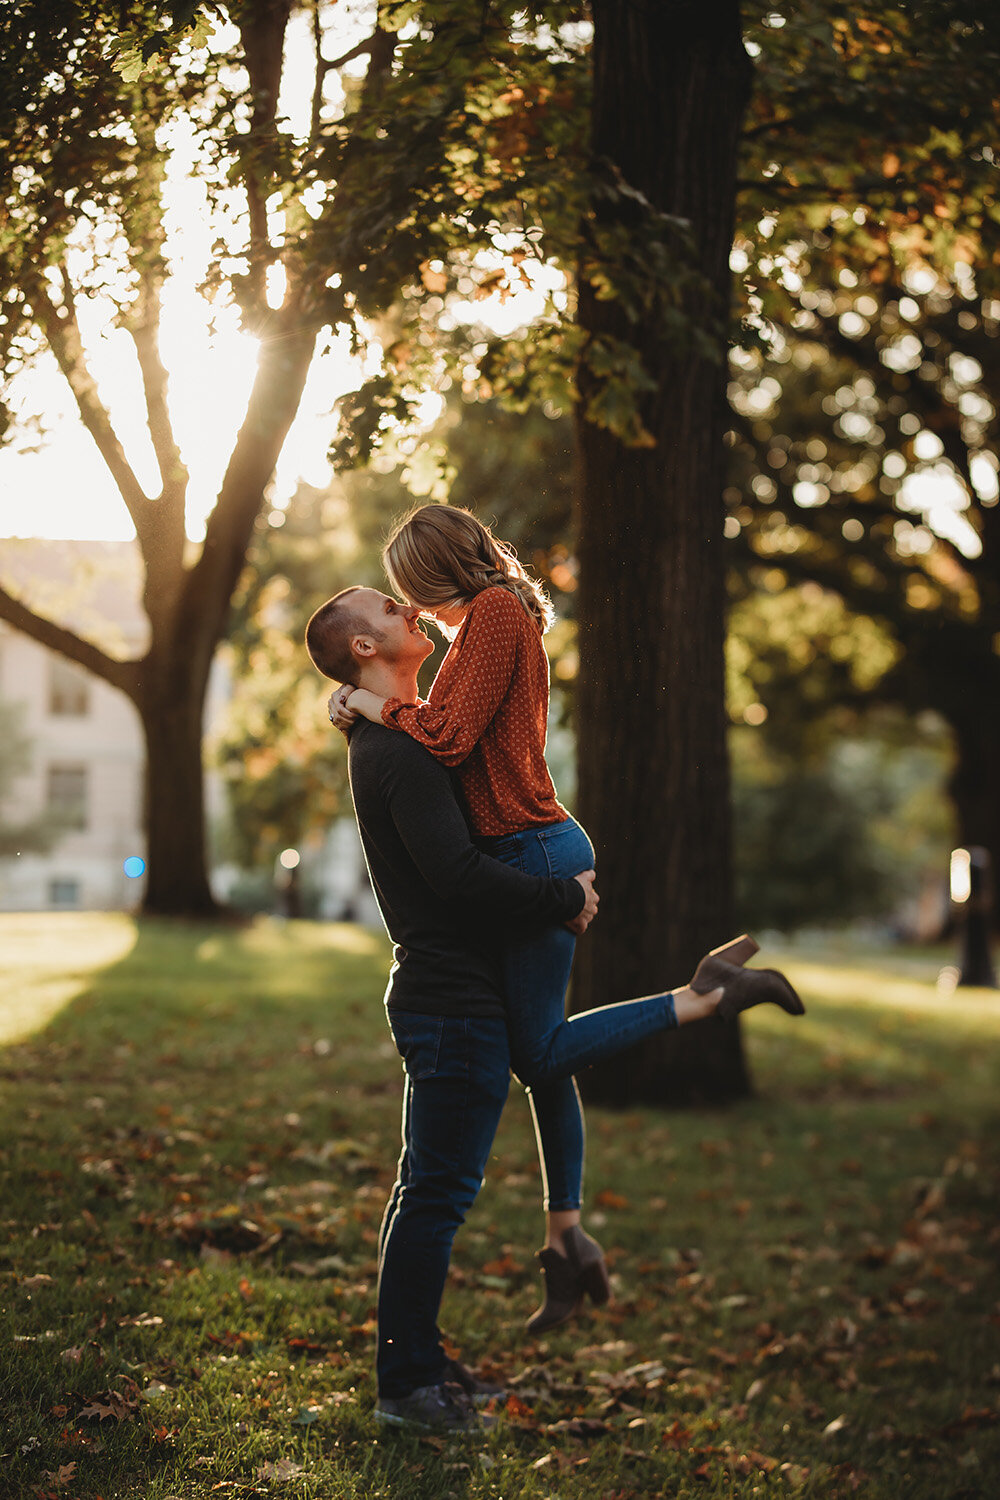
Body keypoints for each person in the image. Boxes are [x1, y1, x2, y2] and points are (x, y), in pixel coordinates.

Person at [327, 506, 804, 1333]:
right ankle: (566, 1241)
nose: (412, 608)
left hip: (533, 854)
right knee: (543, 1058)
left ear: (435, 572)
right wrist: (363, 704)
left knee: (539, 1049)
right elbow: (449, 739)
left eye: (410, 590)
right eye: (397, 602)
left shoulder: (496, 616)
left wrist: (367, 708)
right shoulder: (486, 623)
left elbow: (441, 739)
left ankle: (706, 998)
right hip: (528, 849)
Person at [305, 585, 596, 1432]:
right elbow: (459, 881)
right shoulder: (396, 755)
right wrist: (560, 898)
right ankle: (406, 1389)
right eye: (390, 608)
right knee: (434, 1197)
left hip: (453, 998)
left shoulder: (403, 735)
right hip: (452, 1005)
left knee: (427, 1194)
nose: (409, 608)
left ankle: (420, 1363)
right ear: (366, 648)